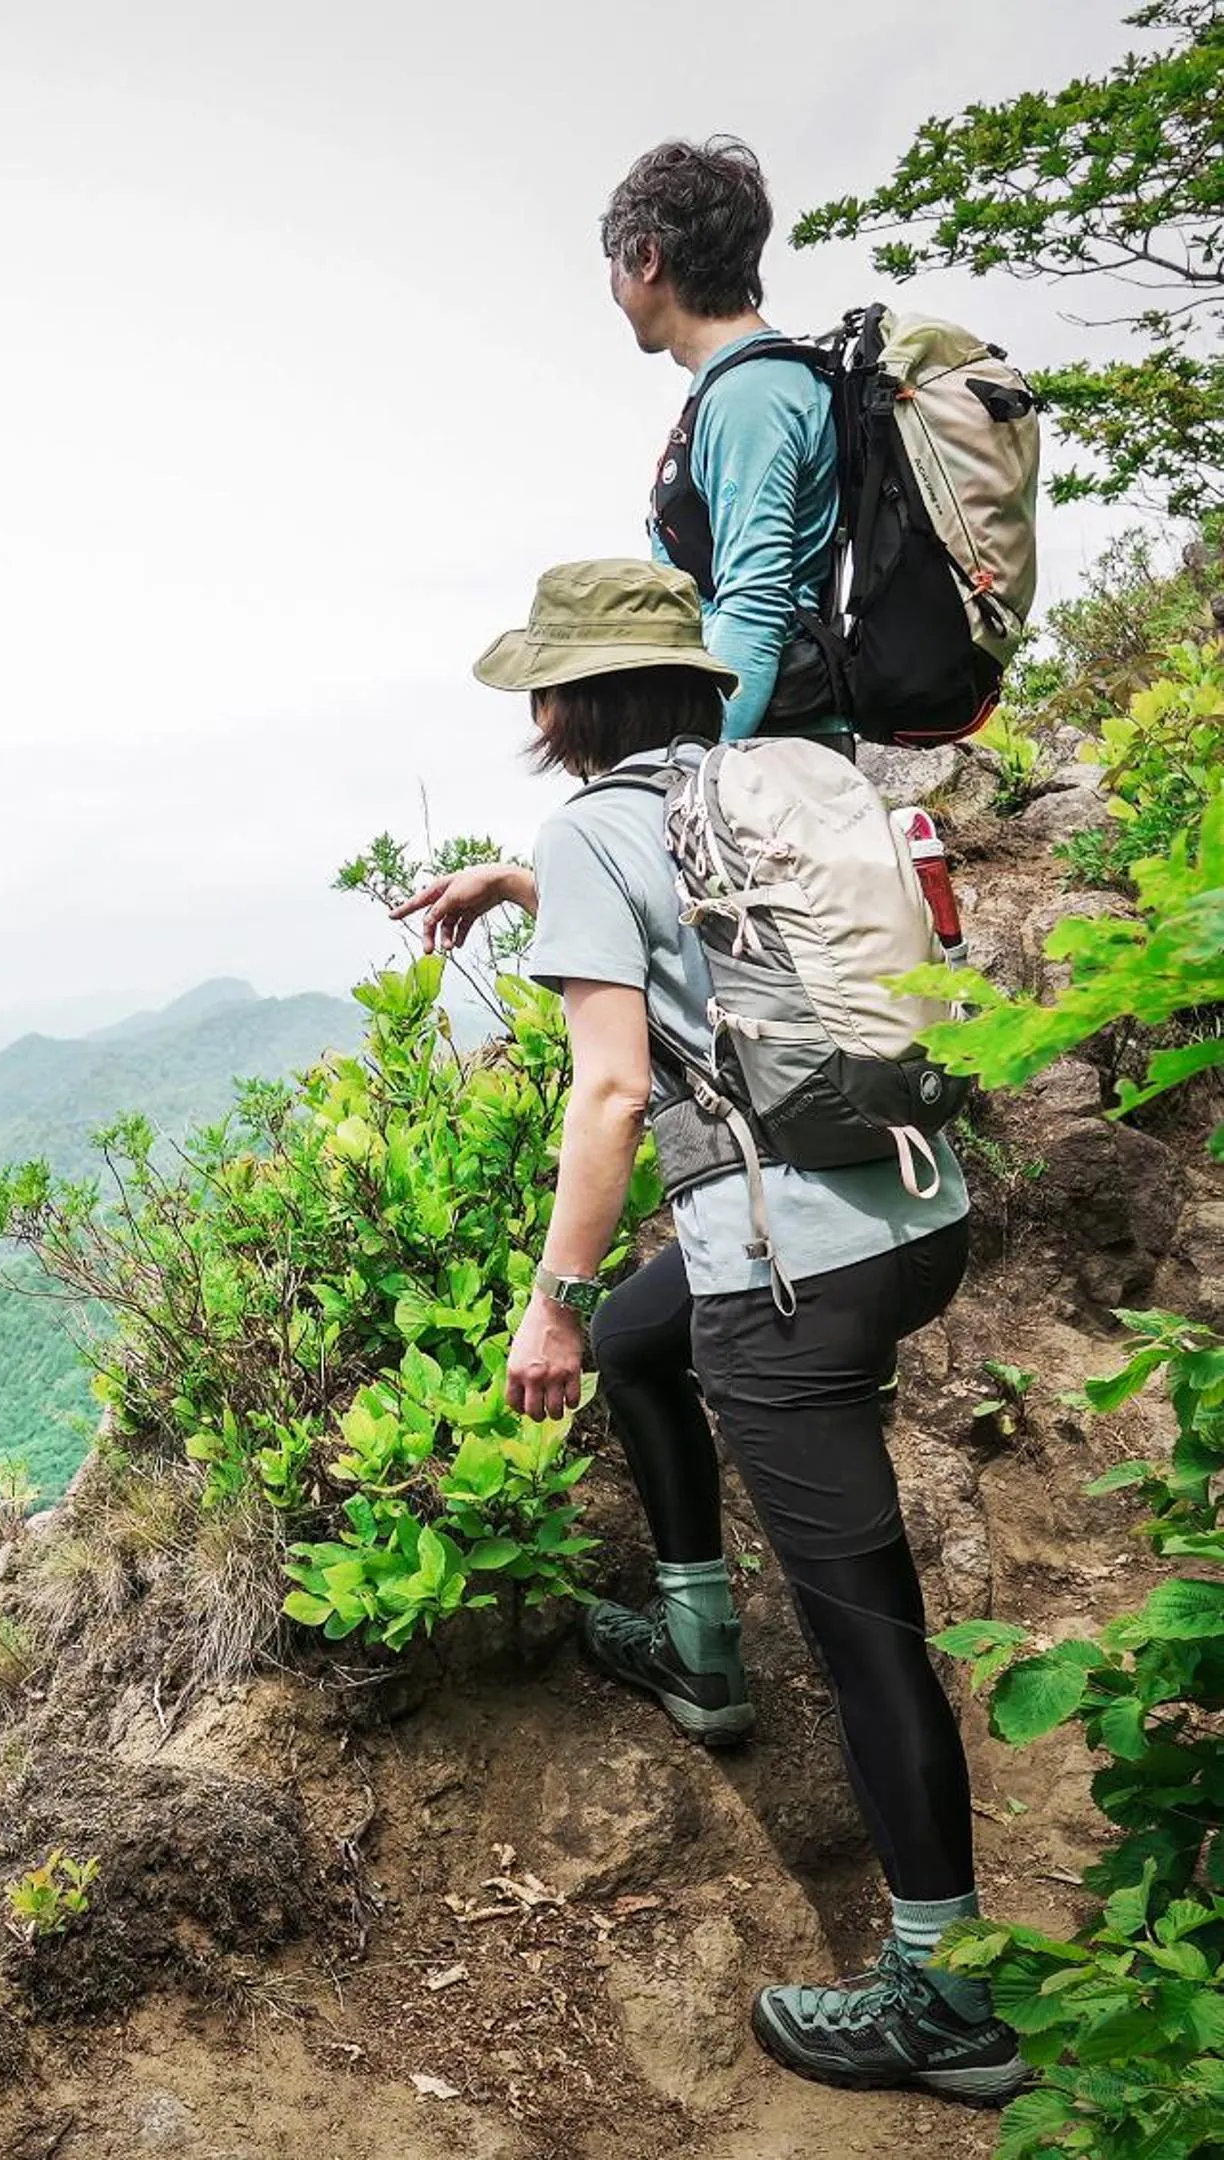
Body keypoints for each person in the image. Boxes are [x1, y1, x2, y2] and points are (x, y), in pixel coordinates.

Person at [397, 559, 1021, 2102]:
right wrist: (522, 888)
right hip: (917, 1217)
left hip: (791, 1282)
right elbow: (722, 937)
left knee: (869, 1631)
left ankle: (947, 1998)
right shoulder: (765, 779)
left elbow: (609, 1088)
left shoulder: (593, 821)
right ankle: (696, 1646)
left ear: (561, 705)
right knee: (638, 1344)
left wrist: (547, 1300)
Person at [603, 137, 847, 748]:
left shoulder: (752, 396)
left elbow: (754, 604)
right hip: (767, 745)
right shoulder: (744, 386)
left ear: (648, 258)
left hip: (776, 758)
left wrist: (684, 771)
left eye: (614, 261)